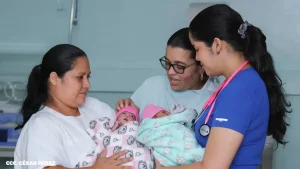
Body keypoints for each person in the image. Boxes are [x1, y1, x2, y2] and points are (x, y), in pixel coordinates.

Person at [156, 4, 292, 169]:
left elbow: (213, 167)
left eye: (197, 49)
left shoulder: (239, 90)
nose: (197, 57)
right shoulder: (241, 82)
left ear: (217, 45)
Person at [14, 44, 133, 169]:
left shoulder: (95, 106)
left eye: (88, 76)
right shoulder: (42, 125)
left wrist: (130, 111)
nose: (87, 84)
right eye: (80, 77)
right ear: (54, 78)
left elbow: (128, 133)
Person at [116, 27, 221, 118]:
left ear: (201, 66)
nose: (170, 72)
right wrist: (126, 110)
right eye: (167, 63)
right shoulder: (152, 86)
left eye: (179, 67)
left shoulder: (215, 100)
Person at [76, 106, 153, 169]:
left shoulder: (137, 127)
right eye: (124, 113)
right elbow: (102, 134)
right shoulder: (112, 127)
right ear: (117, 117)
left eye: (131, 116)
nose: (127, 115)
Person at [137, 104, 205, 166]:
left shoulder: (172, 121)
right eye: (163, 112)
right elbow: (189, 115)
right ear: (154, 118)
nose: (168, 113)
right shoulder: (152, 129)